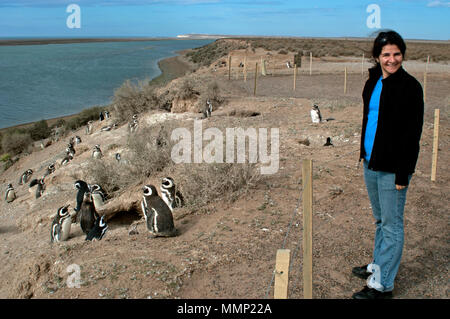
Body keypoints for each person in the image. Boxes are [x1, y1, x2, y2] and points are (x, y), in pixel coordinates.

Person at [352, 30, 424, 299]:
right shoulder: (372, 81)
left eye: (396, 53)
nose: (391, 59)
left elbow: (412, 134)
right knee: (381, 220)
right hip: (371, 162)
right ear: (377, 56)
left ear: (402, 54)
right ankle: (378, 266)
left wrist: (404, 172)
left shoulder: (410, 87)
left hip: (393, 168)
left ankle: (382, 286)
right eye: (386, 54)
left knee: (392, 226)